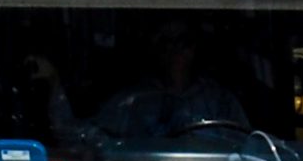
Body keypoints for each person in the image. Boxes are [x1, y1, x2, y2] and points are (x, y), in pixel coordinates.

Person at [96, 24, 248, 139]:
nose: (176, 50)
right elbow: (97, 140)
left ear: (195, 47)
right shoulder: (130, 102)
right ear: (154, 47)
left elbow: (245, 148)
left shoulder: (221, 101)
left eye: (184, 42)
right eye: (166, 42)